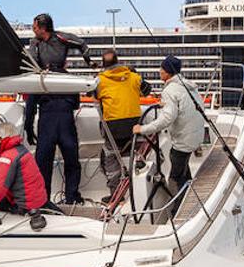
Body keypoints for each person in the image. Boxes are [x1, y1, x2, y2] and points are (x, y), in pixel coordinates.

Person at [23, 13, 92, 204]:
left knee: (43, 164)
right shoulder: (67, 78)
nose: (32, 29)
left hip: (47, 121)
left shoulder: (41, 78)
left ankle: (44, 200)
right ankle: (71, 197)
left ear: (42, 27)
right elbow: (76, 102)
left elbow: (30, 104)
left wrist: (29, 127)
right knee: (72, 161)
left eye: (34, 26)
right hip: (65, 119)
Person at [133, 55, 207, 202]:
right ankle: (189, 189)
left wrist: (142, 129)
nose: (159, 71)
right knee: (183, 167)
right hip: (195, 136)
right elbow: (183, 106)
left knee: (175, 176)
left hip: (183, 142)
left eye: (162, 69)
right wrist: (166, 105)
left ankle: (177, 207)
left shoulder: (170, 91)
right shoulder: (187, 85)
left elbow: (166, 119)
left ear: (167, 72)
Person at [93, 49, 150, 195]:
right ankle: (140, 186)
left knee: (110, 157)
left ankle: (116, 193)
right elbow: (147, 90)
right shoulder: (133, 77)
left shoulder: (100, 80)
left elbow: (91, 94)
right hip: (134, 126)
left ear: (103, 64)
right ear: (118, 61)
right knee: (139, 150)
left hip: (113, 128)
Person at [0, 122, 48, 214]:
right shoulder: (22, 150)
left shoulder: (6, 158)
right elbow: (20, 180)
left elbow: (0, 189)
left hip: (25, 206)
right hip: (40, 199)